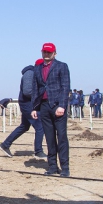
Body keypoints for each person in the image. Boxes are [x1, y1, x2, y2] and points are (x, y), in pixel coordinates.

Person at [30, 43, 71, 177]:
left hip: (57, 105)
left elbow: (65, 87)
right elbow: (35, 89)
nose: (46, 54)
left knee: (62, 137)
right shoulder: (37, 68)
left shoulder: (62, 66)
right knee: (49, 137)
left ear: (54, 53)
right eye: (44, 52)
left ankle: (65, 167)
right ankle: (52, 166)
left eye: (49, 52)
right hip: (44, 106)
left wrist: (62, 106)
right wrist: (34, 108)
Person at [0, 59, 46, 158]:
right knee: (40, 126)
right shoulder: (29, 74)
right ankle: (38, 151)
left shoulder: (35, 74)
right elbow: (27, 92)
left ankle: (5, 144)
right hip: (28, 104)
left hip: (30, 104)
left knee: (24, 126)